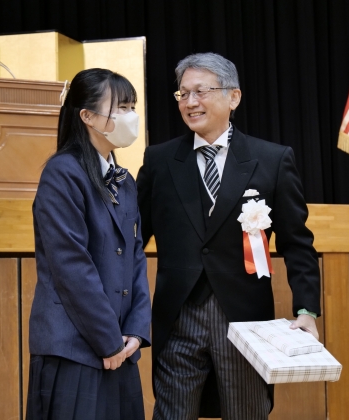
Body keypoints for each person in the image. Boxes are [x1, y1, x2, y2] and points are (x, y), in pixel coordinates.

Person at [136, 53, 321, 420]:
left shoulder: (271, 159)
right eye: (183, 94)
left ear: (233, 97)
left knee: (246, 412)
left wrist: (306, 310)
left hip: (245, 321)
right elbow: (132, 240)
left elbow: (297, 243)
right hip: (178, 318)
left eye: (200, 91)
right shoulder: (159, 160)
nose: (190, 102)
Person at [26, 68, 151, 420]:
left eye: (132, 107)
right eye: (121, 107)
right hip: (74, 347)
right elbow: (71, 267)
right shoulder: (62, 172)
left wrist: (135, 331)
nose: (131, 116)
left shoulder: (124, 181)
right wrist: (108, 340)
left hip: (120, 349)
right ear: (87, 116)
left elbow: (136, 258)